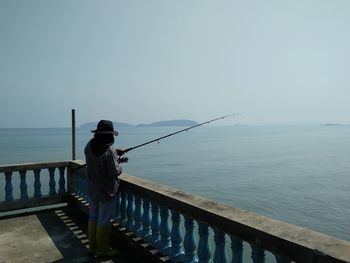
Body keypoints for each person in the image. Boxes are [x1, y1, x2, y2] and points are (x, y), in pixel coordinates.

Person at [84, 120, 125, 257]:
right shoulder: (109, 151)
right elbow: (114, 172)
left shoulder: (88, 146)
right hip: (106, 191)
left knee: (93, 216)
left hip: (92, 188)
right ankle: (103, 250)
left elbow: (96, 161)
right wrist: (119, 162)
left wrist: (115, 155)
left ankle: (92, 247)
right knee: (104, 219)